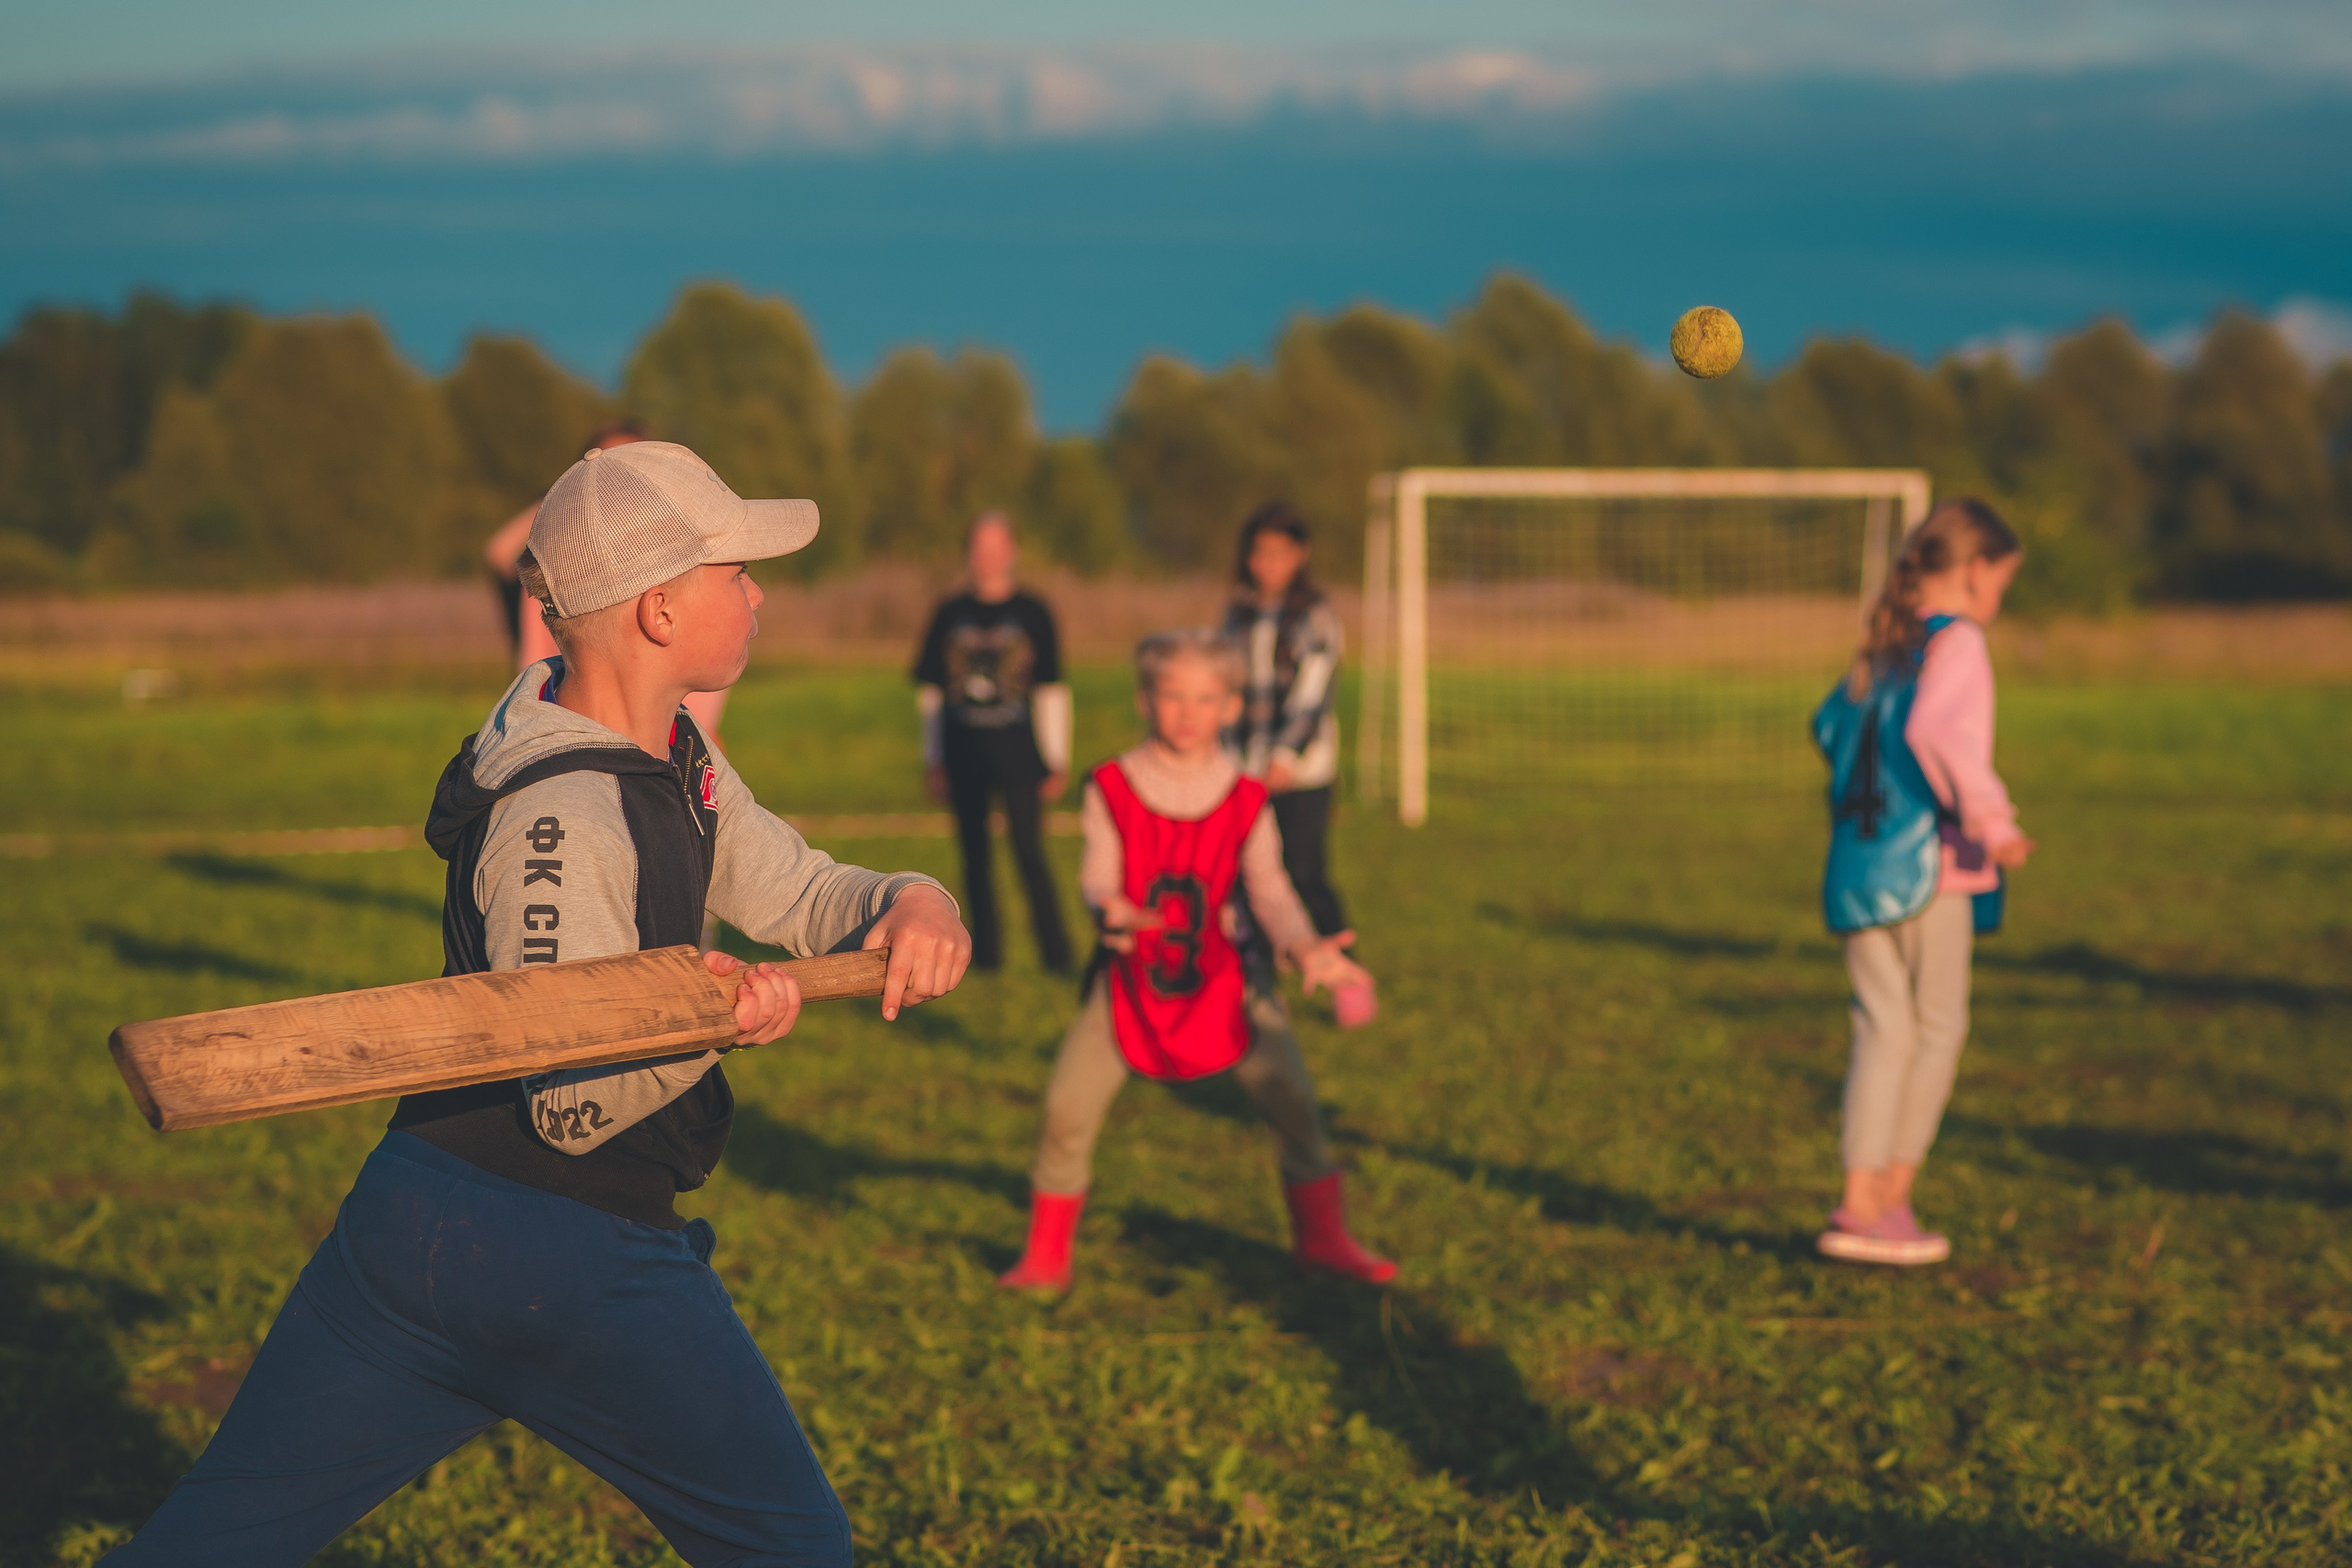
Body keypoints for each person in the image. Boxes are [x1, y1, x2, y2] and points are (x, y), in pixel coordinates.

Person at [108, 441, 973, 1567]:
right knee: (791, 1547)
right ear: (660, 610)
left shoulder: (672, 752)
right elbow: (573, 1103)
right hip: (559, 1243)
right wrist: (721, 1024)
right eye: (736, 573)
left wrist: (908, 898)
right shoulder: (562, 814)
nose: (758, 595)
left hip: (414, 1223)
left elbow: (794, 885)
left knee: (214, 1545)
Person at [996, 628, 1395, 1293]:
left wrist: (1305, 947)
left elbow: (1271, 890)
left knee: (1294, 1100)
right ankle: (1044, 1256)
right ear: (1144, 700)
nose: (1188, 711)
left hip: (1226, 980)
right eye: (1172, 695)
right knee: (1066, 1105)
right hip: (1132, 980)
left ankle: (1325, 1241)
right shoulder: (1111, 785)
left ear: (1231, 707)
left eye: (1206, 698)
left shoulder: (1246, 795)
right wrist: (1110, 909)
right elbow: (1097, 875)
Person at [1810, 498, 2031, 1268]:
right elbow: (1937, 731)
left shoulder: (1885, 640)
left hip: (1854, 867)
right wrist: (1993, 823)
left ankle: (1857, 1200)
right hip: (1929, 872)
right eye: (2002, 583)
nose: (1998, 598)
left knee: (1883, 1030)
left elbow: (1828, 725)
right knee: (1937, 1030)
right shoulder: (1957, 640)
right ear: (1974, 570)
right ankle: (1889, 1201)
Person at [1220, 502, 1375, 1028]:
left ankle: (1346, 975)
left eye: (1280, 553)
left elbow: (1313, 694)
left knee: (1304, 874)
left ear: (1300, 555)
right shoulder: (1237, 614)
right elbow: (1223, 686)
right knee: (1245, 882)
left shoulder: (1315, 615)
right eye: (1260, 552)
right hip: (1242, 771)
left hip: (1301, 774)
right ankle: (1259, 985)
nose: (1269, 563)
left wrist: (1284, 757)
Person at [485, 418, 732, 749]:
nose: (611, 476)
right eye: (599, 462)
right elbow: (499, 552)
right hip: (568, 733)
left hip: (671, 742)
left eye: (627, 462)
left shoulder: (682, 569)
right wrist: (560, 501)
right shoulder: (558, 573)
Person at [911, 513, 1074, 974]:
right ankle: (985, 958)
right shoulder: (949, 612)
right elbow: (931, 693)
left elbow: (1051, 688)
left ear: (1012, 551)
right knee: (974, 858)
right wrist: (933, 758)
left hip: (1020, 755)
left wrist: (1056, 758)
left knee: (1029, 852)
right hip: (962, 753)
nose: (987, 557)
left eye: (996, 547)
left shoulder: (1034, 612)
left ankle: (1057, 955)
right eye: (979, 547)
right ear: (968, 552)